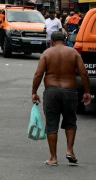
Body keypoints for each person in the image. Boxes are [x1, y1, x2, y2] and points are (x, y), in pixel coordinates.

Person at [31, 30, 91, 166]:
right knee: (70, 121)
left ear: (52, 41)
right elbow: (83, 73)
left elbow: (38, 74)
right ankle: (70, 151)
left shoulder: (47, 53)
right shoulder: (73, 53)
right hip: (69, 91)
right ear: (65, 41)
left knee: (52, 123)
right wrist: (87, 91)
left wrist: (34, 92)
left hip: (51, 91)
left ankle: (53, 158)